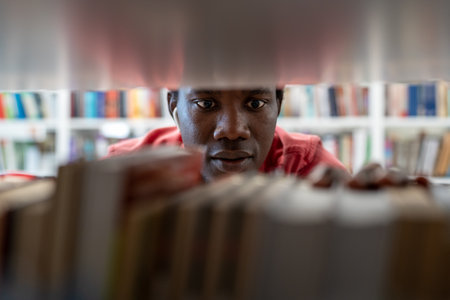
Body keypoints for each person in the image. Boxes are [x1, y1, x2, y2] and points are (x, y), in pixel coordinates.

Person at [107, 87, 348, 181]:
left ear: (278, 105)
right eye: (205, 104)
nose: (233, 131)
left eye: (256, 104)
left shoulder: (306, 167)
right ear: (174, 108)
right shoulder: (125, 172)